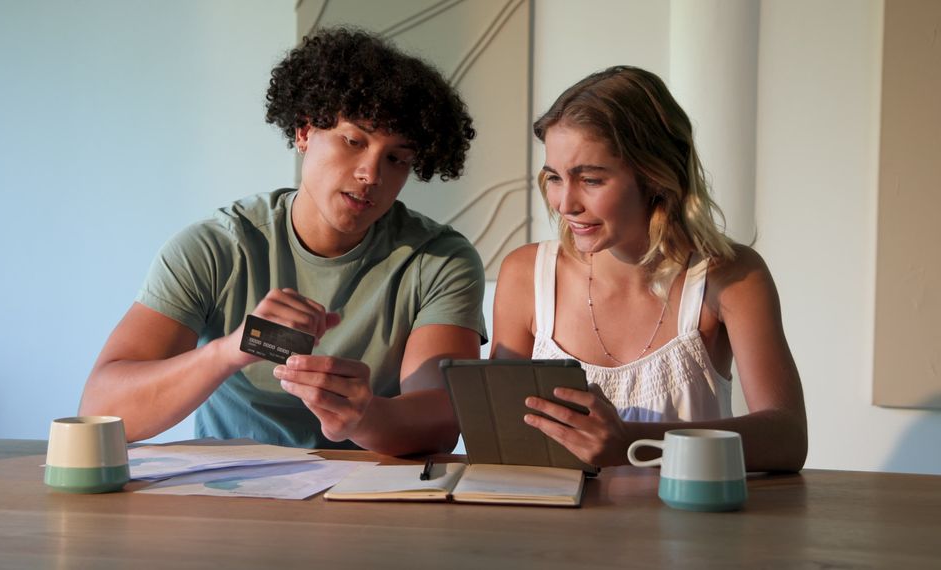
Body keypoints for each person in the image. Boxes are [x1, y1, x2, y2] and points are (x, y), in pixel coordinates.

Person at [79, 28, 485, 456]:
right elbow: (102, 409)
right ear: (305, 131)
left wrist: (364, 418)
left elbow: (441, 422)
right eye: (353, 141)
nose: (371, 174)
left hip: (368, 502)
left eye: (396, 158)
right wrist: (230, 351)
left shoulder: (439, 259)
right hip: (229, 497)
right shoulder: (216, 247)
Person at [492, 66, 807, 472]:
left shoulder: (730, 276)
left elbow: (788, 437)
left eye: (590, 179)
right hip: (556, 531)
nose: (564, 203)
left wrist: (632, 441)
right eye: (554, 177)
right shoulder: (526, 274)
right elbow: (502, 439)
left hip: (689, 529)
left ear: (655, 175)